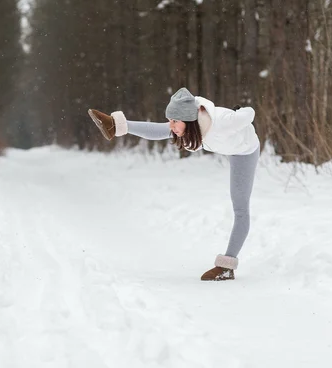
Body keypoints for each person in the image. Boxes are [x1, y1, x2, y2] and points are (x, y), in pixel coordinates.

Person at [87, 87, 260, 281]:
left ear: (188, 120)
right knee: (164, 131)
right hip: (224, 143)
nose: (171, 125)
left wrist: (239, 112)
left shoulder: (224, 123)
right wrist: (172, 124)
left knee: (240, 208)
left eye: (175, 121)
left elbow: (250, 113)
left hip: (245, 151)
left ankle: (227, 266)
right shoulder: (187, 124)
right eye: (171, 120)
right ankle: (115, 126)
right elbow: (159, 130)